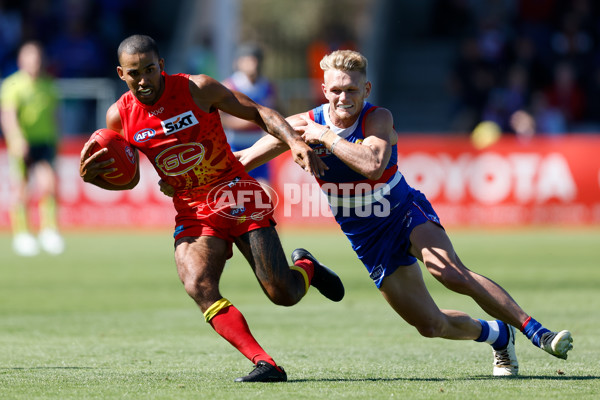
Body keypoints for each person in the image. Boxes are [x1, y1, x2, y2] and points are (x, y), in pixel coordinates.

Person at [235, 49, 574, 376]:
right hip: (368, 240)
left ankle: (538, 332)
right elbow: (244, 160)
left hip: (403, 212)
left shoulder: (377, 118)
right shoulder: (300, 125)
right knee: (430, 325)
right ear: (324, 90)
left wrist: (324, 136)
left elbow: (372, 164)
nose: (343, 98)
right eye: (335, 90)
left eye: (351, 89)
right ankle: (497, 335)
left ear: (366, 89)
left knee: (450, 271)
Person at [78, 34, 344, 383]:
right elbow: (128, 179)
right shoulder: (119, 117)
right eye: (134, 73)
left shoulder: (197, 89)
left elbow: (258, 112)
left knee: (284, 294)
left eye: (149, 69)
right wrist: (99, 179)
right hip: (192, 209)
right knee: (197, 284)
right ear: (120, 74)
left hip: (236, 195)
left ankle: (307, 266)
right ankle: (266, 363)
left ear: (162, 66)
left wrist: (294, 141)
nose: (143, 80)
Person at [0, 41, 64, 256]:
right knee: (22, 189)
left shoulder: (48, 85)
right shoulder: (12, 85)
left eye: (37, 59)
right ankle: (22, 233)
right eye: (29, 58)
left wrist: (58, 139)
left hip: (45, 142)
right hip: (23, 143)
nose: (34, 63)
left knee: (49, 185)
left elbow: (55, 115)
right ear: (21, 61)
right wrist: (16, 139)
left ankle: (49, 230)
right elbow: (8, 116)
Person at [221, 44, 278, 182]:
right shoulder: (229, 86)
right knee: (238, 189)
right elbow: (220, 119)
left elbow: (274, 112)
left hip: (261, 143)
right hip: (235, 144)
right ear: (238, 62)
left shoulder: (267, 86)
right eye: (248, 59)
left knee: (265, 188)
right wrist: (252, 120)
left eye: (255, 59)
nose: (253, 64)